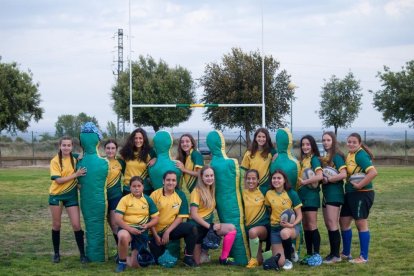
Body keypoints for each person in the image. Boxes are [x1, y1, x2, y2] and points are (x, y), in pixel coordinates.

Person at [49, 136, 88, 263]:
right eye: (64, 145)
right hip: (57, 196)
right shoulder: (55, 161)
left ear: (72, 146)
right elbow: (58, 180)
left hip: (71, 196)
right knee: (57, 224)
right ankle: (56, 253)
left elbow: (85, 155)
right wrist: (76, 175)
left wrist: (79, 183)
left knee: (76, 225)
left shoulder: (75, 158)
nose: (66, 147)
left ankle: (82, 254)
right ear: (59, 146)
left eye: (68, 145)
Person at [340, 133, 377, 264]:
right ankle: (346, 253)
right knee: (343, 221)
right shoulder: (350, 154)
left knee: (361, 223)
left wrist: (360, 185)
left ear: (359, 144)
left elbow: (373, 172)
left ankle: (363, 257)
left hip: (362, 193)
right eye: (349, 142)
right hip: (350, 194)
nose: (351, 144)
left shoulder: (360, 155)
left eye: (354, 142)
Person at [189, 165, 237, 265]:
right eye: (207, 176)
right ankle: (196, 250)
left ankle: (223, 258)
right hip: (196, 228)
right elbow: (193, 214)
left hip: (207, 227)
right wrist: (211, 227)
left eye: (211, 175)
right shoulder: (196, 191)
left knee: (231, 228)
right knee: (196, 263)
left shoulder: (212, 189)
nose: (210, 178)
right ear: (201, 177)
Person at [149, 171, 198, 267]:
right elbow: (150, 218)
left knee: (192, 228)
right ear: (163, 181)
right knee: (158, 261)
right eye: (168, 180)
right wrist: (155, 236)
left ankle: (188, 258)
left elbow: (180, 217)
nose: (171, 182)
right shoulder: (154, 195)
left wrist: (168, 232)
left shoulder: (181, 195)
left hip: (171, 230)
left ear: (176, 182)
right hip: (156, 233)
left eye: (173, 180)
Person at [114, 176, 159, 273]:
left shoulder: (148, 200)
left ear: (143, 187)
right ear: (130, 187)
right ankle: (122, 263)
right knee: (123, 236)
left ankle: (122, 256)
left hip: (141, 232)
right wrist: (130, 229)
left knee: (135, 265)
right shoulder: (124, 199)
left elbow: (156, 218)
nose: (136, 188)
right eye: (134, 186)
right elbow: (117, 219)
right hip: (127, 229)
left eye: (139, 186)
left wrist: (147, 225)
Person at [265, 170, 302, 270]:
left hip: (290, 228)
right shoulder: (269, 194)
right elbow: (269, 210)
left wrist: (292, 224)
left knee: (284, 233)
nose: (276, 180)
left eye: (279, 178)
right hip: (275, 229)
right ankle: (291, 249)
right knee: (279, 262)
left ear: (284, 180)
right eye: (274, 178)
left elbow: (299, 215)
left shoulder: (291, 193)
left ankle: (288, 261)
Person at [320, 132, 347, 264]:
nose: (325, 142)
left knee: (332, 223)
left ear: (333, 141)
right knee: (328, 224)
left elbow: (343, 174)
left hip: (334, 193)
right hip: (326, 193)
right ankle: (332, 253)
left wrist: (329, 179)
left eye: (328, 140)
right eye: (323, 140)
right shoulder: (325, 157)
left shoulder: (336, 156)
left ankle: (336, 255)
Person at [298, 135, 323, 265]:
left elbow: (319, 176)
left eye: (308, 144)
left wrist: (305, 181)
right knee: (306, 226)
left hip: (311, 196)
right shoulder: (303, 160)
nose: (305, 147)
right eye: (303, 144)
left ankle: (317, 255)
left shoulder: (314, 160)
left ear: (312, 145)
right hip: (302, 196)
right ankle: (309, 254)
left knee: (312, 225)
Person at [242, 169, 270, 268]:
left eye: (254, 178)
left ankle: (253, 259)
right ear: (245, 180)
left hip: (264, 228)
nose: (251, 181)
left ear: (258, 180)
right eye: (248, 179)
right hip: (249, 230)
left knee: (253, 232)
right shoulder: (243, 193)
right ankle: (263, 256)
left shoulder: (263, 191)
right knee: (260, 261)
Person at [119, 128, 156, 195]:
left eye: (140, 138)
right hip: (128, 188)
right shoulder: (126, 152)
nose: (138, 140)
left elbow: (159, 161)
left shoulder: (150, 152)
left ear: (144, 139)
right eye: (135, 138)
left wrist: (156, 159)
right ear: (132, 139)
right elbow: (122, 168)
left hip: (145, 189)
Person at [241, 128, 276, 193]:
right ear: (255, 138)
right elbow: (244, 172)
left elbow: (275, 168)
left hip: (266, 186)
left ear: (267, 138)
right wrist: (245, 188)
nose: (261, 139)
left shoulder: (272, 152)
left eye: (263, 137)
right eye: (259, 136)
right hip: (252, 185)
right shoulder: (249, 153)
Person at [104, 139, 125, 249]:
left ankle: (121, 250)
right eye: (108, 148)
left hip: (116, 197)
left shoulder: (121, 162)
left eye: (113, 148)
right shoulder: (101, 162)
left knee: (114, 223)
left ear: (116, 150)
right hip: (102, 197)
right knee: (109, 224)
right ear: (104, 149)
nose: (110, 150)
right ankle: (121, 248)